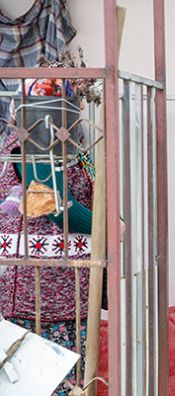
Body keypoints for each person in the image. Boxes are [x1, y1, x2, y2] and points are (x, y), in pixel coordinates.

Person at [0, 133, 94, 396]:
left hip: (67, 293)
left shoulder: (67, 140)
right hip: (38, 298)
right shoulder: (29, 142)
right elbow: (56, 205)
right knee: (40, 383)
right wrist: (109, 227)